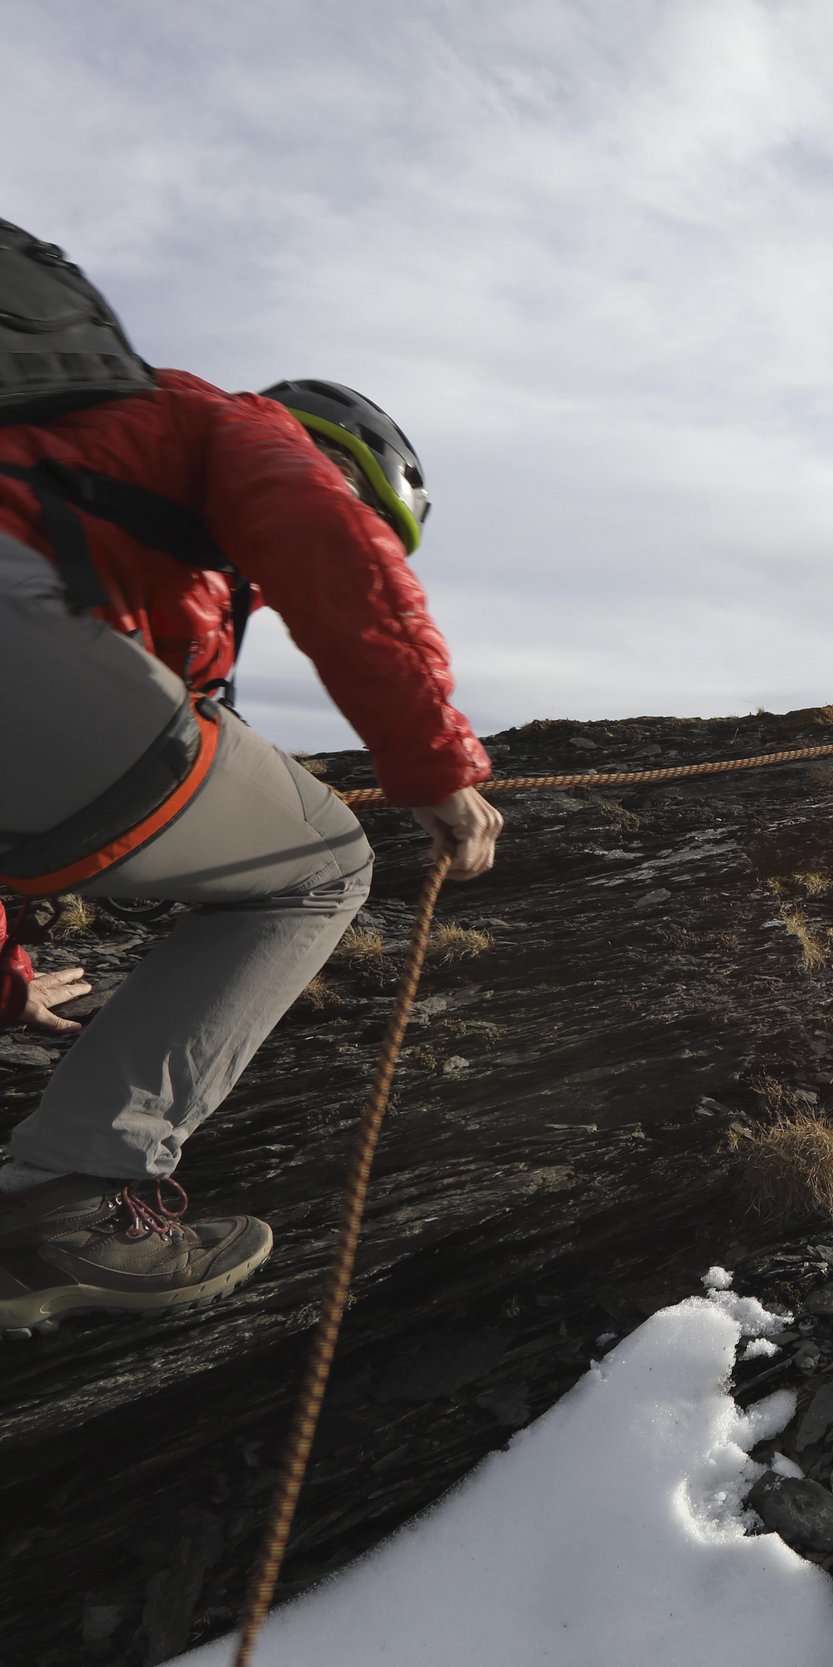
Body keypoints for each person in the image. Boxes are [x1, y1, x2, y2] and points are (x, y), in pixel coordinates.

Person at [0, 218, 500, 1327]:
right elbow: (322, 538)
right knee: (319, 861)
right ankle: (73, 1191)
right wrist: (432, 762)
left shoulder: (89, 486)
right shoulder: (234, 423)